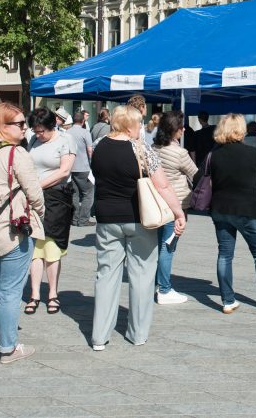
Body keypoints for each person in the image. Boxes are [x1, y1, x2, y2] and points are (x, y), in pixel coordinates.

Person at [90, 105, 185, 350]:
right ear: (131, 125)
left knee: (106, 275)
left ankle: (100, 336)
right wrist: (178, 212)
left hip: (106, 218)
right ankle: (137, 333)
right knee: (141, 276)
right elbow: (162, 186)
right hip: (138, 218)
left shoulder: (99, 146)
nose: (141, 127)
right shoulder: (141, 149)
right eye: (139, 123)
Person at [0, 103, 46, 364]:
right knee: (11, 291)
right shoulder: (15, 153)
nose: (25, 127)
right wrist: (41, 213)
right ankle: (8, 347)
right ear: (3, 127)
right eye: (20, 124)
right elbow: (34, 192)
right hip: (14, 228)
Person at [199, 113, 256, 314]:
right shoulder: (252, 153)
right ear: (241, 129)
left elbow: (200, 176)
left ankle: (228, 301)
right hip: (249, 209)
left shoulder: (213, 155)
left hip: (221, 210)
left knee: (224, 255)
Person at [24, 107, 75, 316]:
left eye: (41, 131)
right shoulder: (33, 140)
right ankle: (34, 293)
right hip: (34, 198)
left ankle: (53, 292)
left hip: (55, 197)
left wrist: (39, 185)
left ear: (52, 126)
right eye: (35, 131)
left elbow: (64, 171)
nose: (38, 135)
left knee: (52, 246)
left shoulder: (65, 140)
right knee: (35, 247)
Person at [152, 110, 198, 305]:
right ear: (175, 130)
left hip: (155, 202)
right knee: (168, 246)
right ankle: (164, 288)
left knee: (157, 245)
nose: (184, 129)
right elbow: (195, 174)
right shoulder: (179, 153)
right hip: (175, 203)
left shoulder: (153, 148)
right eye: (181, 126)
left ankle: (155, 283)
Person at [67, 113, 96, 228]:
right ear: (83, 121)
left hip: (70, 167)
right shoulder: (85, 132)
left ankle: (74, 219)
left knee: (75, 194)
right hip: (83, 167)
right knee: (88, 194)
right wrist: (93, 164)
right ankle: (83, 220)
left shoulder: (67, 133)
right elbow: (90, 150)